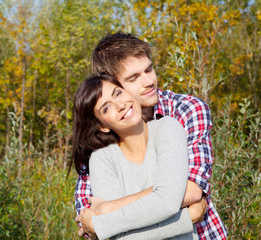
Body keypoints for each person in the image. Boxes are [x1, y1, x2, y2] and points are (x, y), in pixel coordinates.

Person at [74, 32, 227, 239]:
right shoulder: (102, 140)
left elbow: (190, 192)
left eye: (149, 69)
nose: (149, 81)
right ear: (111, 83)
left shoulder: (186, 110)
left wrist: (110, 209)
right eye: (133, 78)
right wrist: (184, 215)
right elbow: (89, 218)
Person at [72, 73, 206, 239]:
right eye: (106, 108)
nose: (120, 105)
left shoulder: (168, 128)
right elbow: (120, 238)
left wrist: (104, 219)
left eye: (118, 93)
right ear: (102, 126)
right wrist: (186, 219)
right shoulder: (102, 159)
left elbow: (168, 202)